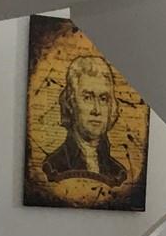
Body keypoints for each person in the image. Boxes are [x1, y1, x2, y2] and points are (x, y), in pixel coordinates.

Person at [41, 53, 127, 186]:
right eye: (87, 98)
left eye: (103, 99)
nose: (96, 110)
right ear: (71, 103)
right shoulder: (53, 166)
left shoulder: (118, 172)